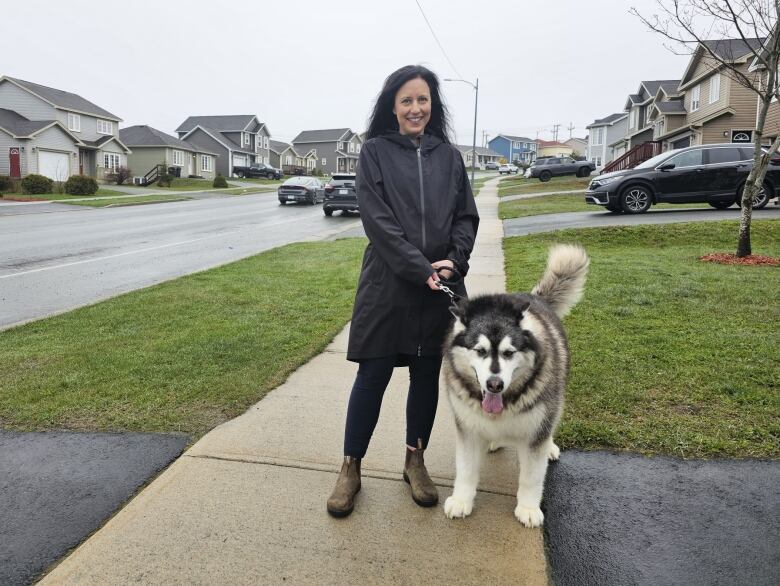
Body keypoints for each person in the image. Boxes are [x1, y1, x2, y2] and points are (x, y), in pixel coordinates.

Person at [326, 65, 479, 517]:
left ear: (433, 105)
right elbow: (378, 221)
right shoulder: (373, 152)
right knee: (372, 375)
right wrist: (419, 267)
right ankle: (350, 468)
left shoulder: (449, 156)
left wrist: (455, 260)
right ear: (392, 107)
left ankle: (416, 461)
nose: (416, 108)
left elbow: (465, 217)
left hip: (441, 286)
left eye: (423, 99)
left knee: (425, 374)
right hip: (387, 284)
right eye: (406, 100)